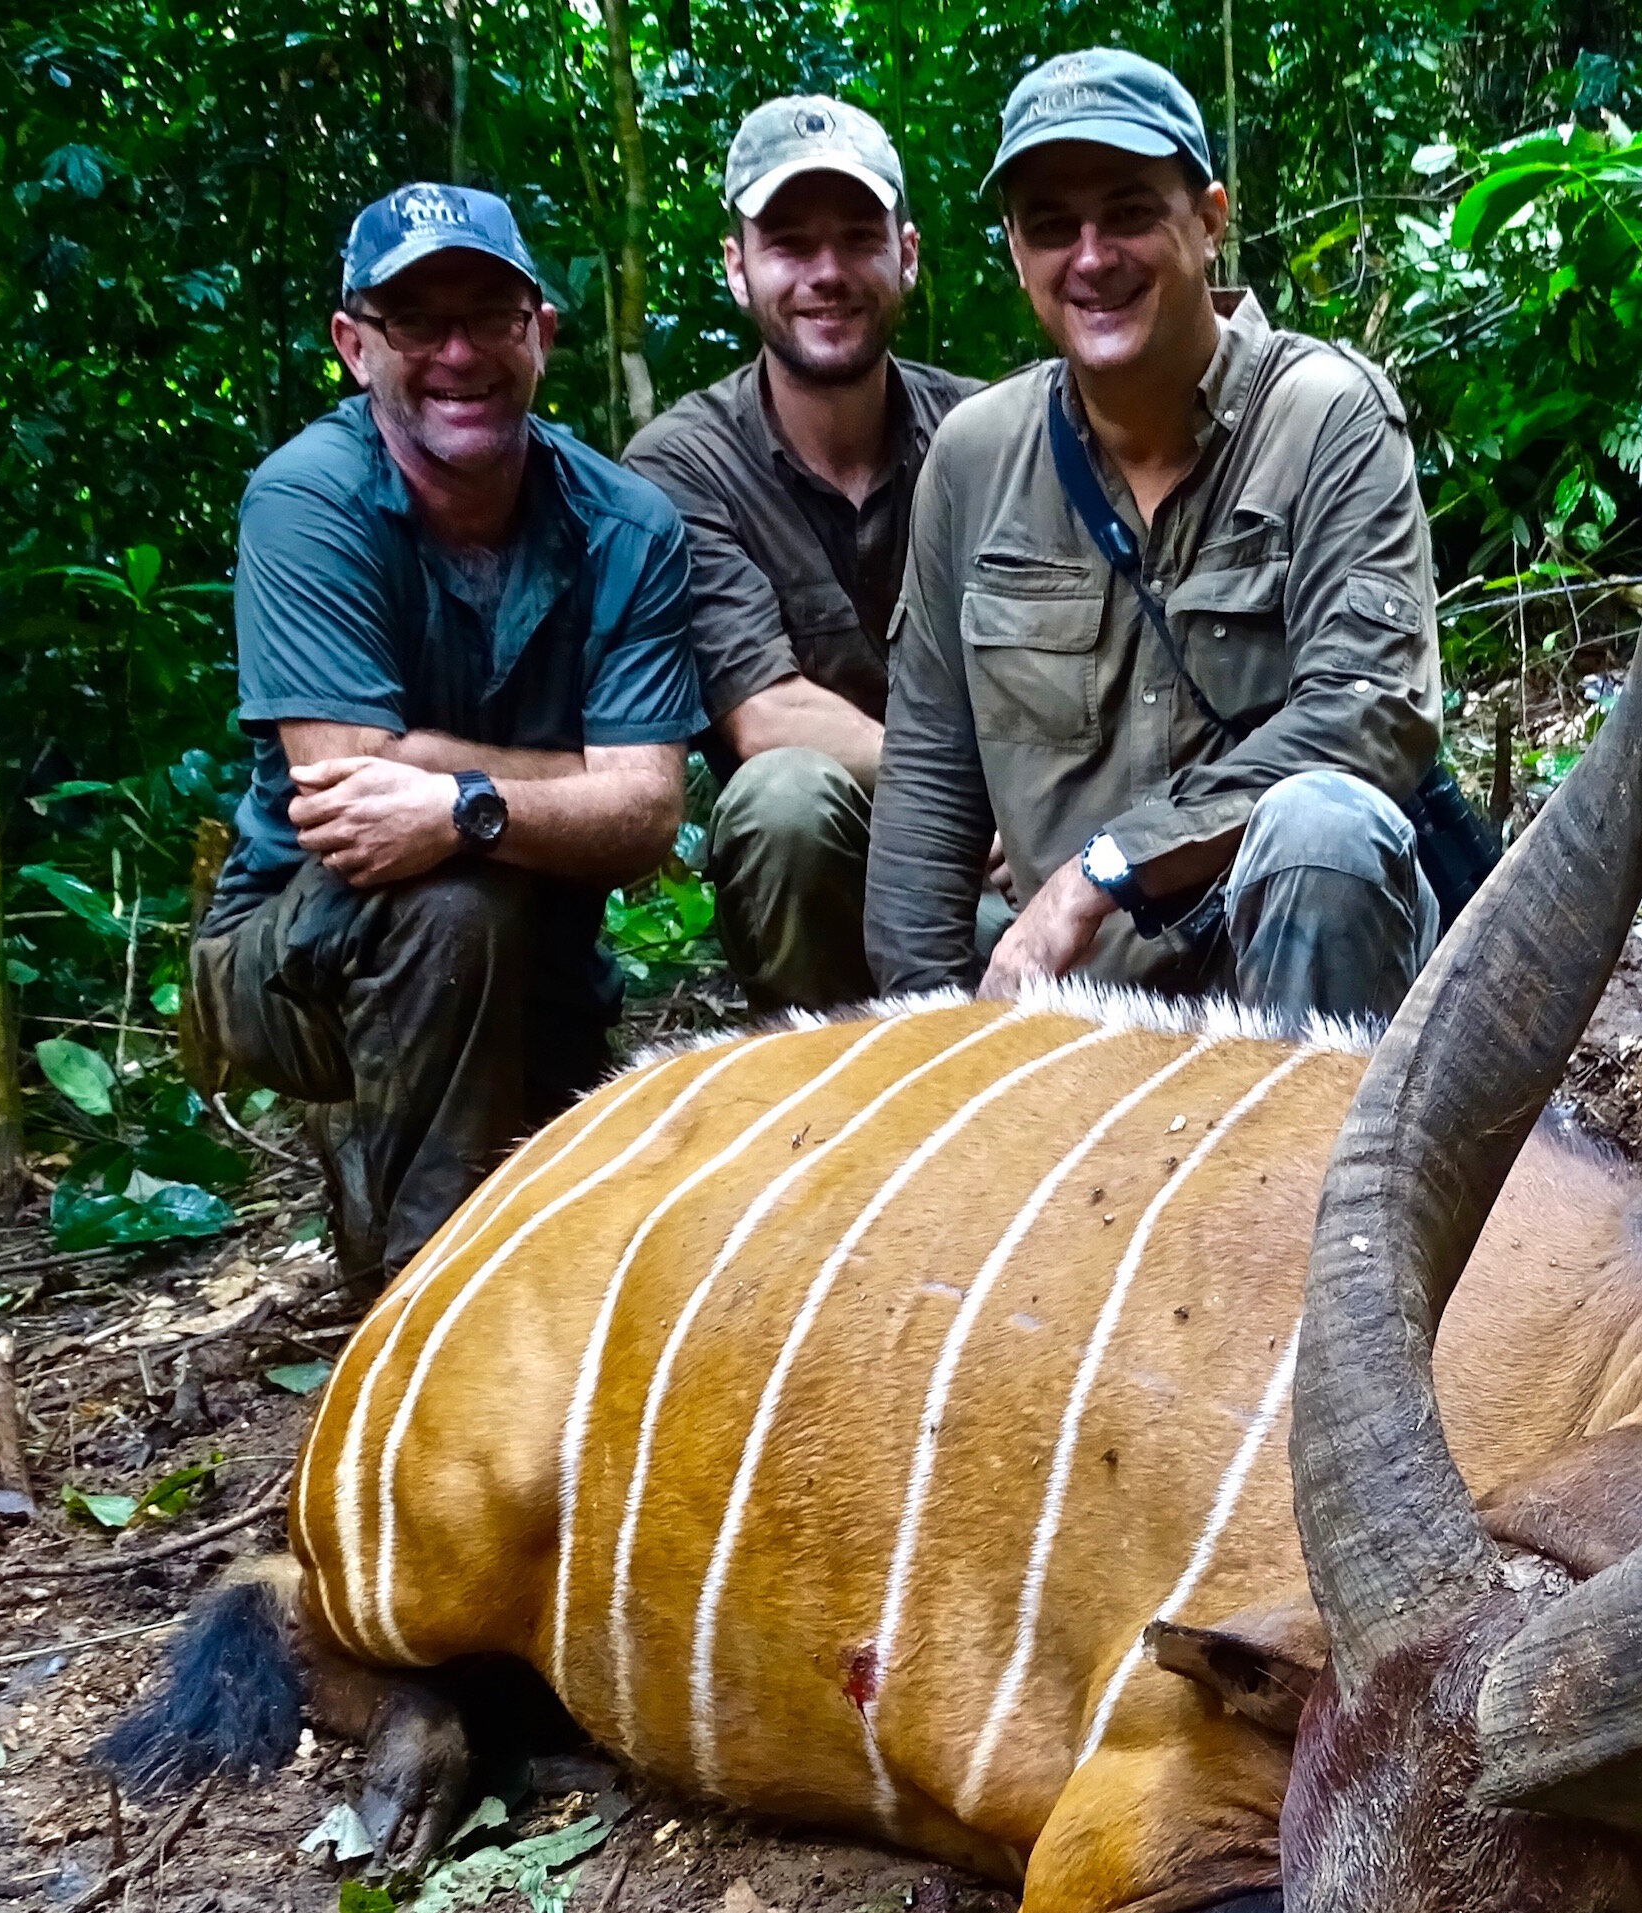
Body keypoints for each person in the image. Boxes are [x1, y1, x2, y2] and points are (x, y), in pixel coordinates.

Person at [866, 49, 1443, 1025]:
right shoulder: (972, 458)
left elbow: (1366, 718)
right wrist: (919, 1055)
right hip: (1074, 1010)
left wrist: (1099, 874)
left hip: (1283, 976)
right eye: (1052, 227)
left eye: (1131, 211)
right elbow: (927, 786)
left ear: (1209, 221)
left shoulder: (1326, 417)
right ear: (1015, 251)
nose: (1091, 257)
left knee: (1324, 830)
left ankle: (1312, 1176)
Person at [194, 184, 700, 1295]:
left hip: (543, 968)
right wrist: (569, 790)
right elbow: (352, 809)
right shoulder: (307, 499)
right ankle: (421, 1310)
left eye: (492, 315)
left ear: (542, 333)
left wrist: (458, 793)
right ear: (354, 345)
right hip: (293, 950)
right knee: (450, 906)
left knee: (606, 1225)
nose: (459, 352)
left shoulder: (628, 525)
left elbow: (649, 818)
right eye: (418, 321)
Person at [627, 98, 981, 1012]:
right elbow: (764, 716)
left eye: (858, 238)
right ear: (738, 270)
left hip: (1017, 869)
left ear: (904, 255)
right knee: (782, 796)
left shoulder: (992, 434)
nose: (827, 274)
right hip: (844, 870)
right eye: (790, 244)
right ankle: (814, 1116)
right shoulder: (682, 464)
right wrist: (968, 813)